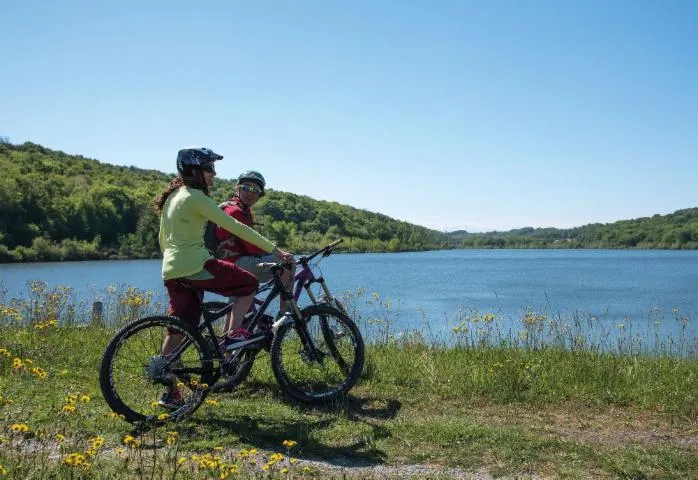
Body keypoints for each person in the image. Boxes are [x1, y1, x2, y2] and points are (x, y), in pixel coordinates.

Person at [155, 147, 292, 408]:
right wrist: (276, 251)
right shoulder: (196, 197)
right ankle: (232, 336)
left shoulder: (174, 197)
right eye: (209, 169)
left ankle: (170, 391)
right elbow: (235, 228)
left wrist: (173, 262)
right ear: (195, 171)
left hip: (172, 270)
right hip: (195, 264)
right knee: (248, 283)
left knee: (180, 328)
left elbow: (163, 238)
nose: (214, 174)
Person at [214, 170, 294, 318]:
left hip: (225, 264)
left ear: (260, 195)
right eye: (246, 188)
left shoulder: (233, 207)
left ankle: (234, 336)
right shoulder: (236, 211)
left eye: (255, 190)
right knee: (288, 263)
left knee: (240, 316)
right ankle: (286, 312)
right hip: (237, 264)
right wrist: (279, 253)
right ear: (237, 188)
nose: (250, 193)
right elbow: (253, 248)